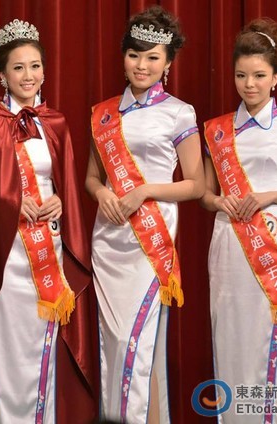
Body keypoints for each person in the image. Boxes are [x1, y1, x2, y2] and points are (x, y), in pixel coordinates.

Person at [0, 19, 97, 424]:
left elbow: (66, 186)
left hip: (48, 248)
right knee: (6, 347)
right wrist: (13, 206)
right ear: (2, 74)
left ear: (45, 70)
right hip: (5, 253)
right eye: (18, 67)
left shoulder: (55, 122)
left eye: (35, 66)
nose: (28, 75)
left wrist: (60, 201)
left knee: (41, 342)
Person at [86, 6, 204, 423]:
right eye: (134, 54)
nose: (142, 65)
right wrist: (102, 192)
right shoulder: (102, 112)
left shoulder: (179, 112)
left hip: (150, 241)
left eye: (153, 57)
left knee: (135, 341)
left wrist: (145, 191)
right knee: (112, 344)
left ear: (168, 62)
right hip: (108, 238)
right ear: (123, 56)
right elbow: (91, 177)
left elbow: (196, 184)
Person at [201, 18, 277, 424]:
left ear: (276, 78)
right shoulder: (216, 130)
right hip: (228, 242)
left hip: (272, 241)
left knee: (271, 338)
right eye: (241, 75)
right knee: (230, 336)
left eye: (259, 75)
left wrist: (270, 196)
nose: (249, 84)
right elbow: (204, 194)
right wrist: (219, 200)